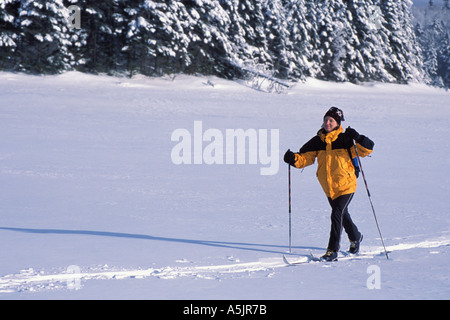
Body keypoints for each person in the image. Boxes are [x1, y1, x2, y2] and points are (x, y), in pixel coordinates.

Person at [284, 107, 374, 261]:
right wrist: (293, 159)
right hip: (329, 188)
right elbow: (306, 158)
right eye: (326, 120)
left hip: (347, 184)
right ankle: (356, 237)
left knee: (337, 213)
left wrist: (358, 137)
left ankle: (332, 250)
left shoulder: (346, 139)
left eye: (331, 120)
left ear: (338, 123)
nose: (327, 123)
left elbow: (367, 150)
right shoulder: (317, 141)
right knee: (342, 214)